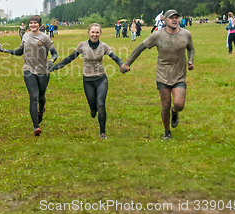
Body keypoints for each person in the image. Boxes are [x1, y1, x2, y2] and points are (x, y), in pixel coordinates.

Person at [121, 9, 194, 140]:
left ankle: (175, 112)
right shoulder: (157, 35)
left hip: (179, 74)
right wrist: (127, 63)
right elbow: (140, 48)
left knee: (179, 104)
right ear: (165, 20)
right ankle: (167, 132)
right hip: (163, 74)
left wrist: (190, 60)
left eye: (176, 17)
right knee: (165, 104)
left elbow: (191, 48)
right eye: (171, 18)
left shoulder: (186, 34)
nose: (174, 19)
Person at [49, 23, 124, 139]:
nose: (95, 35)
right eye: (93, 32)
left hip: (101, 79)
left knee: (101, 104)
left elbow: (115, 57)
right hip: (88, 80)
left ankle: (102, 132)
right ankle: (93, 111)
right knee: (93, 107)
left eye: (97, 32)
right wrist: (55, 67)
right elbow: (70, 58)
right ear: (88, 33)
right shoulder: (82, 45)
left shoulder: (104, 46)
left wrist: (122, 65)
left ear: (100, 33)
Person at [0, 15, 58, 136]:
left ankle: (41, 111)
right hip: (28, 69)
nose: (33, 25)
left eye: (35, 23)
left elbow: (55, 53)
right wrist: (4, 50)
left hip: (43, 71)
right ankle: (36, 127)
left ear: (40, 25)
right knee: (33, 96)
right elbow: (20, 52)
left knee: (41, 96)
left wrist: (51, 61)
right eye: (31, 23)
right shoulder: (25, 36)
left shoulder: (45, 37)